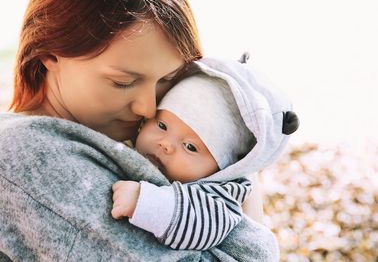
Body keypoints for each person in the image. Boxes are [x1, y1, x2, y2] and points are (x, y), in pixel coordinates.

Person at [0, 0, 281, 261]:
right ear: (50, 54)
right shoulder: (30, 157)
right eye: (123, 82)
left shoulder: (94, 138)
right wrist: (242, 176)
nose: (148, 108)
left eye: (168, 80)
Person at [111, 64, 299, 250]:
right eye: (162, 126)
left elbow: (207, 225)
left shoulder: (220, 193)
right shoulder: (123, 143)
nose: (166, 144)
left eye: (190, 147)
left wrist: (145, 203)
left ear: (222, 169)